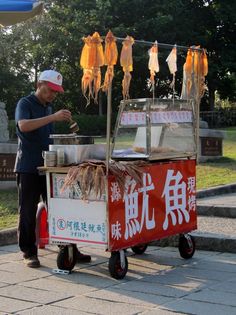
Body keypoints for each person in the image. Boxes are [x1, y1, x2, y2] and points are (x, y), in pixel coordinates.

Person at [14, 69, 91, 268]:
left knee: (59, 207)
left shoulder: (49, 108)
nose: (53, 95)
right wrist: (53, 118)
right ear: (39, 85)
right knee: (28, 211)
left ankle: (69, 248)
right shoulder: (25, 103)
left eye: (55, 92)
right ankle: (29, 252)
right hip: (28, 166)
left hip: (49, 166)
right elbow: (23, 126)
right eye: (50, 90)